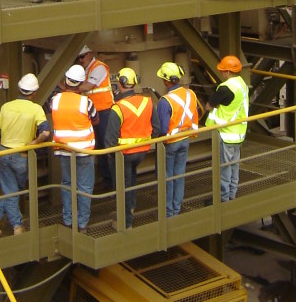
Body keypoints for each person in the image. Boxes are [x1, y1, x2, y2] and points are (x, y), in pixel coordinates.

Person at [0, 72, 50, 237]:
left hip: (4, 152)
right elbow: (46, 133)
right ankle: (17, 227)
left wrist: (3, 150)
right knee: (14, 190)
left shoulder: (6, 107)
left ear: (19, 89)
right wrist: (34, 143)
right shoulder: (36, 109)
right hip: (22, 154)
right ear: (34, 93)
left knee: (11, 189)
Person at [105, 68, 158, 229]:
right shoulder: (147, 101)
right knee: (132, 180)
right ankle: (131, 208)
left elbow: (110, 139)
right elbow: (157, 128)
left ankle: (125, 221)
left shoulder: (118, 108)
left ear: (120, 84)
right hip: (142, 152)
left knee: (123, 186)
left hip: (123, 154)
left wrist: (112, 157)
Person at [49, 64, 97, 231]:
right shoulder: (86, 102)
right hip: (84, 151)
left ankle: (68, 221)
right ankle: (82, 223)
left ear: (66, 81)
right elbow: (95, 119)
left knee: (67, 184)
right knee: (84, 187)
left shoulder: (55, 100)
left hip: (63, 150)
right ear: (80, 83)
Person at [155, 61, 199, 217]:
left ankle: (168, 211)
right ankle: (176, 207)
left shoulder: (165, 101)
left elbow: (163, 128)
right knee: (179, 174)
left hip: (170, 143)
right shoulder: (190, 94)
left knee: (167, 177)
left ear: (167, 81)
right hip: (185, 138)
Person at [205, 55, 249, 202]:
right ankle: (232, 194)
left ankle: (223, 199)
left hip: (226, 135)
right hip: (239, 134)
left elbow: (208, 105)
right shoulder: (242, 84)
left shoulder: (226, 88)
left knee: (224, 168)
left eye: (223, 71)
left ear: (228, 72)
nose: (222, 74)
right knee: (234, 166)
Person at [76, 45, 114, 190]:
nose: (80, 60)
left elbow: (87, 87)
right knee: (98, 146)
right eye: (78, 58)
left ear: (89, 54)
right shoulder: (85, 70)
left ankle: (112, 180)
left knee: (105, 145)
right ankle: (107, 180)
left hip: (104, 112)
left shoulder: (99, 67)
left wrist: (69, 88)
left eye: (82, 57)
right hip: (92, 112)